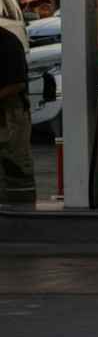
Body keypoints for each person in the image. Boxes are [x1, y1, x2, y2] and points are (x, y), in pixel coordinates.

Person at [0, 26, 35, 206]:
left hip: (11, 114)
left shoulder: (8, 42)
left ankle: (23, 212)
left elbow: (17, 83)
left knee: (16, 166)